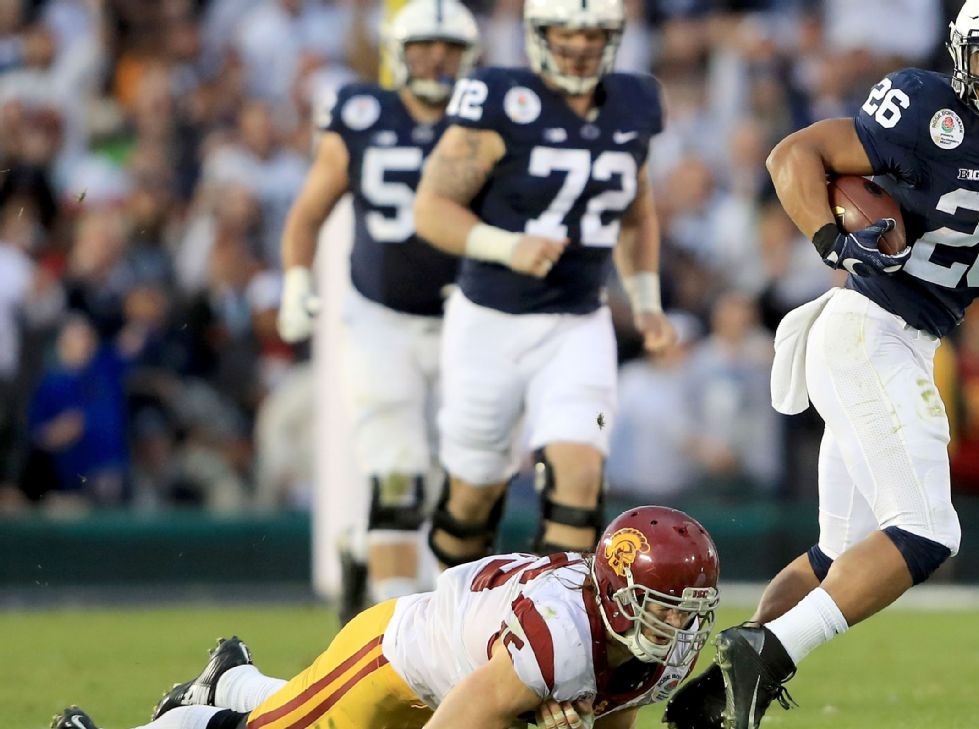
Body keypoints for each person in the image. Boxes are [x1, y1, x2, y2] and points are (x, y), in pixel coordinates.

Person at [663, 1, 979, 727]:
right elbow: (793, 155)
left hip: (905, 336)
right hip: (867, 326)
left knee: (835, 554)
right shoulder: (922, 108)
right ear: (964, 55)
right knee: (928, 531)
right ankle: (765, 654)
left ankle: (710, 698)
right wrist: (830, 242)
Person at [51, 506, 721, 729]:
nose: (676, 626)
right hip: (399, 654)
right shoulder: (564, 636)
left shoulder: (665, 649)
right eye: (661, 606)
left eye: (687, 610)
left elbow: (612, 710)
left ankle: (230, 678)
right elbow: (463, 716)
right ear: (615, 592)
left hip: (469, 673)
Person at [412, 0, 675, 567]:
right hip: (489, 322)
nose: (580, 46)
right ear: (537, 34)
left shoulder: (634, 101)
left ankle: (556, 634)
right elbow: (431, 208)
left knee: (579, 482)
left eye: (593, 33)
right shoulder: (501, 97)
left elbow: (636, 210)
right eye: (566, 32)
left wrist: (647, 300)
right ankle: (452, 616)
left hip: (579, 320)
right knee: (473, 496)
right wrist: (507, 245)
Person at [275, 0, 478, 621]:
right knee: (398, 474)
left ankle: (368, 555)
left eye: (448, 48)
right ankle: (396, 627)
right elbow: (309, 210)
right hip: (381, 317)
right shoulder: (363, 114)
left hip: (467, 318)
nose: (436, 59)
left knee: (465, 478)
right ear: (397, 51)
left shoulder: (486, 122)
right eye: (423, 47)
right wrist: (294, 279)